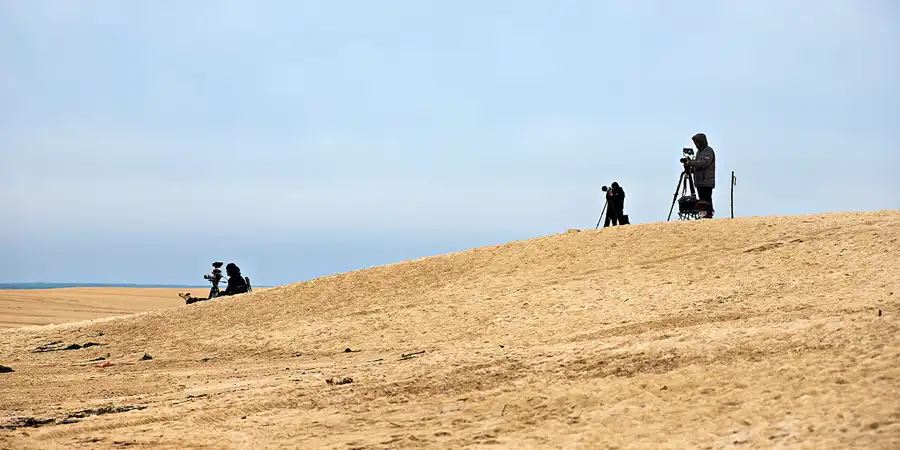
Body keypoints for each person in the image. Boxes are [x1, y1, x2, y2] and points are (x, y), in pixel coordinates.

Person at [685, 133, 716, 218]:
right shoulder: (699, 152)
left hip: (706, 181)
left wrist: (690, 162)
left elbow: (703, 163)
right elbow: (698, 166)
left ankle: (708, 214)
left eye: (697, 142)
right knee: (702, 199)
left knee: (706, 199)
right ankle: (703, 215)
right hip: (699, 181)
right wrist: (690, 169)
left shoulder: (708, 151)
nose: (696, 145)